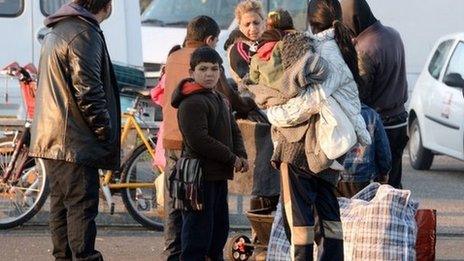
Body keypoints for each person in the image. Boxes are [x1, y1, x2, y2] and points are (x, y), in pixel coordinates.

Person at [264, 0, 372, 258]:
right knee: (328, 213)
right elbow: (350, 102)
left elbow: (311, 101)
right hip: (329, 150)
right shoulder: (346, 49)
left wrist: (275, 114)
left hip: (300, 148)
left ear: (310, 21)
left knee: (299, 218)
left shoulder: (317, 50)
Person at [29, 1, 117, 260]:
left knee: (61, 207)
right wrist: (105, 131)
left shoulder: (59, 28)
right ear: (107, 4)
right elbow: (88, 90)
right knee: (80, 207)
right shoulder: (84, 32)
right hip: (74, 139)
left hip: (54, 137)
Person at [162, 15, 255, 261]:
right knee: (196, 235)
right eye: (203, 69)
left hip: (217, 175)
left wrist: (241, 154)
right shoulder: (191, 102)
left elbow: (233, 129)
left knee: (217, 232)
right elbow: (199, 140)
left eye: (215, 69)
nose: (210, 74)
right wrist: (232, 157)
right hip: (198, 176)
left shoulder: (218, 97)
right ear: (192, 72)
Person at [341, 0, 409, 189]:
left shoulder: (364, 48)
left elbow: (360, 94)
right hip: (400, 120)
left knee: (377, 186)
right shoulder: (394, 34)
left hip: (379, 125)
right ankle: (397, 217)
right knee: (394, 182)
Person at [338, 104, 392, 198]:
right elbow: (383, 151)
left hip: (336, 177)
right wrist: (384, 173)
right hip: (364, 179)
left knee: (337, 211)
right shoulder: (372, 115)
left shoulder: (332, 112)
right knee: (362, 210)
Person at [226, 0, 266, 83]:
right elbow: (249, 77)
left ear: (264, 23)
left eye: (256, 23)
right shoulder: (239, 48)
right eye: (247, 24)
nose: (253, 28)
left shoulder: (268, 42)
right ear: (240, 26)